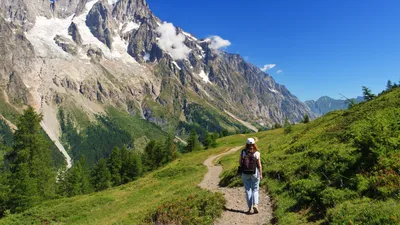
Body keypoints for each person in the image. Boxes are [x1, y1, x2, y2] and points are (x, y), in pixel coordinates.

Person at [239, 137, 262, 214]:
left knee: (248, 190)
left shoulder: (243, 152)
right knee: (255, 189)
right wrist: (261, 174)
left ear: (246, 144)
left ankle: (249, 207)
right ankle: (255, 204)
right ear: (254, 144)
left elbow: (240, 162)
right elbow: (259, 165)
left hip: (245, 173)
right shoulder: (257, 153)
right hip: (254, 173)